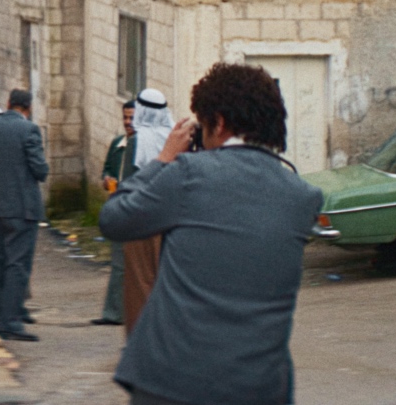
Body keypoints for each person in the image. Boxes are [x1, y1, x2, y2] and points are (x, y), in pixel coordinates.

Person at [100, 63, 324, 405]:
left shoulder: (189, 174)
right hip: (258, 386)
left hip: (171, 380)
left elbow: (114, 220)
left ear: (218, 123)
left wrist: (163, 159)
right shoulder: (303, 197)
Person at [0, 88, 48, 342]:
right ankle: (10, 321)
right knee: (17, 264)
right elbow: (40, 170)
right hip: (22, 207)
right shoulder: (29, 130)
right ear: (28, 107)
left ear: (8, 103)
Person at [121, 87, 173, 333]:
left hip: (141, 221)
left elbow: (128, 184)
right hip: (170, 220)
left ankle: (141, 338)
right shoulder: (172, 138)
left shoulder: (137, 140)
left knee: (140, 282)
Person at [92, 99, 138, 326]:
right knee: (118, 262)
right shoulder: (118, 144)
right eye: (125, 118)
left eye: (132, 118)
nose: (128, 122)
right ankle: (114, 312)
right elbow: (107, 170)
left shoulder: (142, 146)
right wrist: (107, 180)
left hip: (136, 210)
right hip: (118, 207)